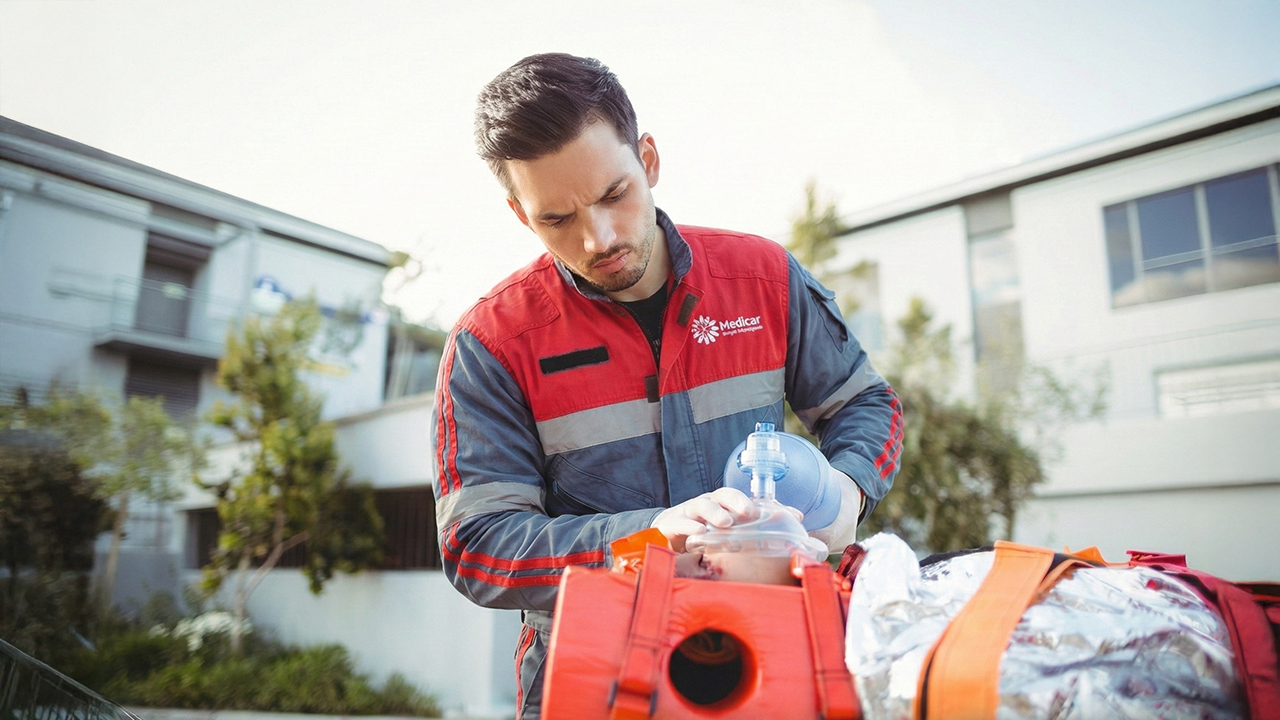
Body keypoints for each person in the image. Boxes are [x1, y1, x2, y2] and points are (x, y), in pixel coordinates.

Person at [432, 52, 902, 720]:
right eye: (556, 219)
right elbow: (480, 546)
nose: (597, 239)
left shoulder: (761, 279)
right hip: (588, 675)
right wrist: (649, 536)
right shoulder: (491, 344)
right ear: (518, 213)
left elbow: (865, 402)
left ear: (647, 160)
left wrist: (847, 488)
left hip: (771, 658)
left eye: (612, 195)